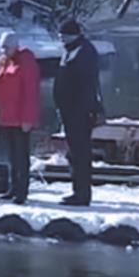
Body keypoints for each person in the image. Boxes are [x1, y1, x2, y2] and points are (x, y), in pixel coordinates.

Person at [0, 32, 41, 204]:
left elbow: (31, 93)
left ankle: (22, 191)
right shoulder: (1, 62)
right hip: (5, 114)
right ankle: (12, 187)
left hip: (20, 116)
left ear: (16, 46)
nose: (3, 50)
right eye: (1, 47)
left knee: (21, 154)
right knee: (11, 155)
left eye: (6, 47)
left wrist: (28, 119)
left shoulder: (26, 62)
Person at [53, 19, 104, 206]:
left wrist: (92, 109)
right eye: (60, 37)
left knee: (81, 153)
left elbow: (88, 85)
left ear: (74, 35)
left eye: (65, 37)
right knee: (74, 152)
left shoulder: (85, 52)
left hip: (81, 111)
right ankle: (77, 190)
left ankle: (82, 194)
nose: (62, 40)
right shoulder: (69, 51)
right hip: (69, 110)